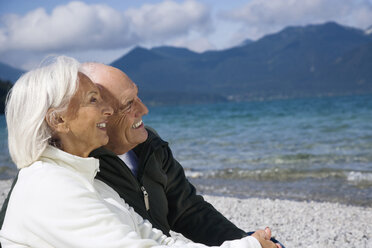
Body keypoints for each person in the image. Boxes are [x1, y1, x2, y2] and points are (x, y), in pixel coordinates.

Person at [0, 56, 278, 248]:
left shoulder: (92, 176)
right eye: (94, 100)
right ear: (58, 120)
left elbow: (172, 227)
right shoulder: (50, 185)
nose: (143, 110)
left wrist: (247, 241)